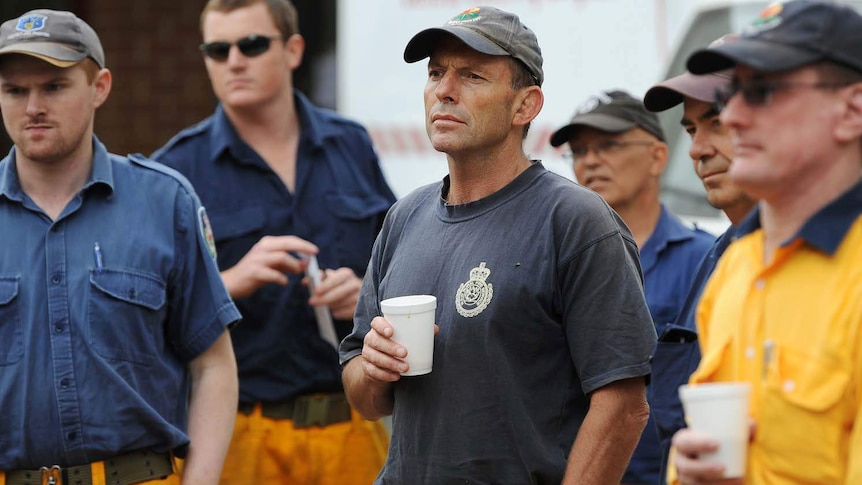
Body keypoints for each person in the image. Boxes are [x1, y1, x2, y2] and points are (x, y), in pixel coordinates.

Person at [340, 6, 657, 485]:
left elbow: (624, 407)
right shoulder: (404, 218)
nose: (444, 90)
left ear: (525, 106)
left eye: (472, 75)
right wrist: (374, 369)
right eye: (436, 73)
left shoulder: (576, 221)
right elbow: (363, 397)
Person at [151, 0, 396, 484]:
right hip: (238, 436)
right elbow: (143, 316)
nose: (234, 61)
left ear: (294, 50)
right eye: (217, 50)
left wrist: (366, 291)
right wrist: (228, 284)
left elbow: (404, 264)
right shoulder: (175, 171)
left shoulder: (350, 143)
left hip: (352, 428)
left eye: (253, 44)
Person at [0, 8, 240, 485]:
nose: (33, 107)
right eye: (14, 90)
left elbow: (213, 365)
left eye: (54, 86)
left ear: (100, 87)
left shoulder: (165, 202)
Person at [669, 0, 862, 483]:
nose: (732, 117)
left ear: (852, 110)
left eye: (763, 92)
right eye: (734, 94)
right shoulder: (736, 266)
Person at [550, 89, 715, 485]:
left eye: (608, 145)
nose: (591, 161)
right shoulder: (550, 263)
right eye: (579, 150)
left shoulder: (705, 260)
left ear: (658, 156)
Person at [642, 35, 756, 485]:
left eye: (718, 121)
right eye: (691, 130)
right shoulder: (719, 257)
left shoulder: (842, 256)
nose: (698, 148)